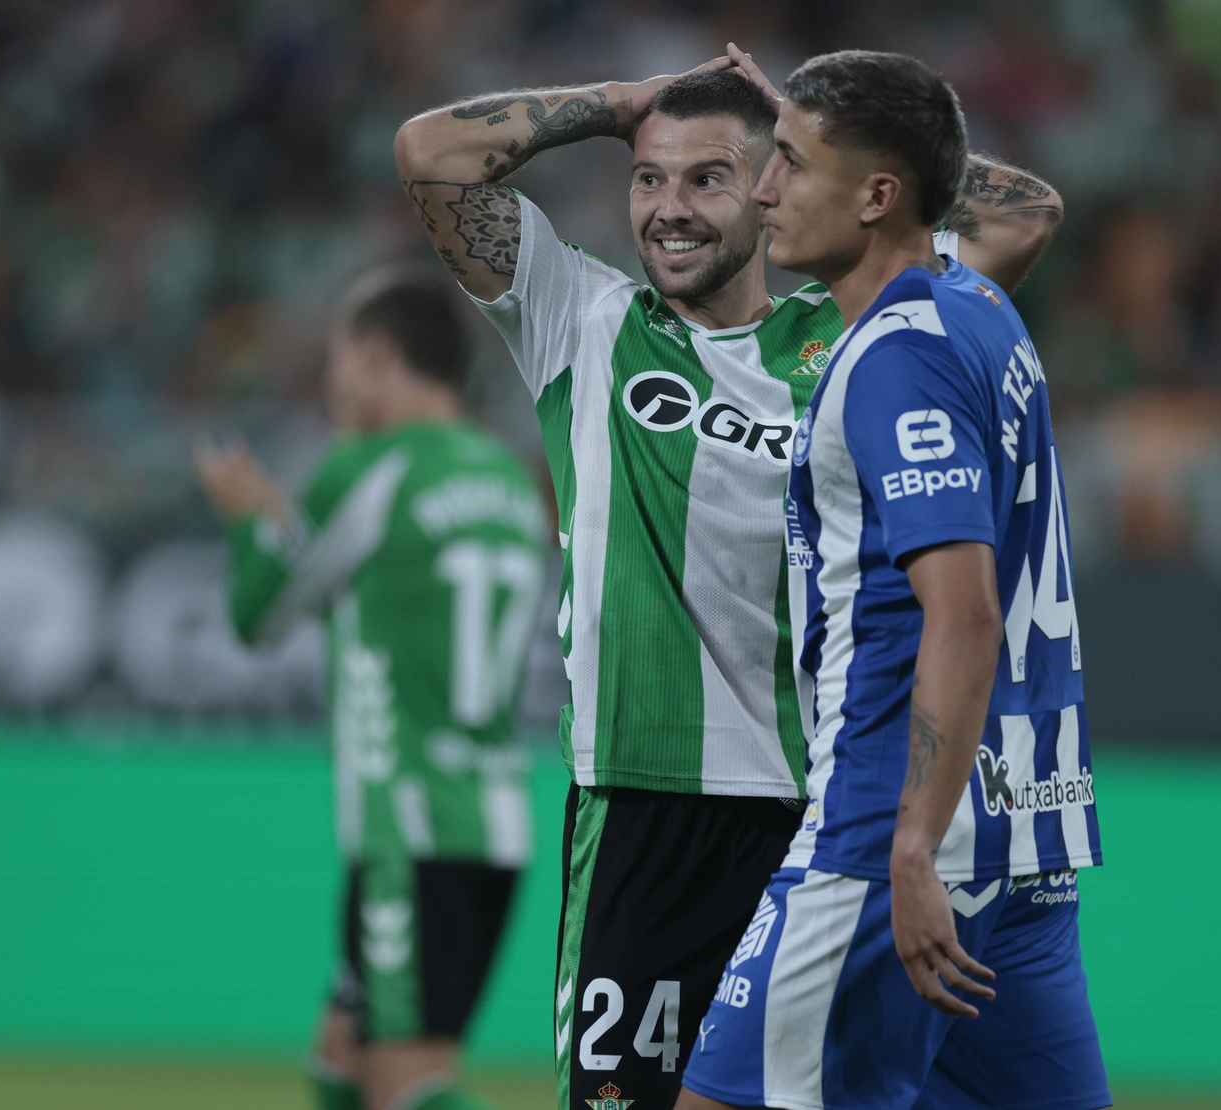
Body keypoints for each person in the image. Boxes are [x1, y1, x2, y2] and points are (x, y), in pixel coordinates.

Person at [394, 49, 1063, 1110]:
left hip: (815, 818)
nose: (667, 208)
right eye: (648, 179)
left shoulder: (847, 336)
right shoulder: (583, 322)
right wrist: (618, 104)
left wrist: (811, 118)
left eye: (708, 177)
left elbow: (1024, 213)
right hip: (642, 814)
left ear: (771, 184)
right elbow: (431, 153)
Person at [678, 51, 1107, 1110]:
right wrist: (833, 124)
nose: (762, 191)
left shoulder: (892, 357)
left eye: (786, 162)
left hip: (893, 834)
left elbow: (960, 611)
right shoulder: (976, 307)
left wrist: (910, 844)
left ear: (876, 196)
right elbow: (1023, 207)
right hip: (1025, 827)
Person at [194, 269, 548, 1110]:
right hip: (492, 815)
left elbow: (260, 615)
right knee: (340, 1064)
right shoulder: (510, 482)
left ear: (381, 356)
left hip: (410, 823)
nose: (330, 383)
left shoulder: (368, 468)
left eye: (338, 358)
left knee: (404, 1084)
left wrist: (254, 516)